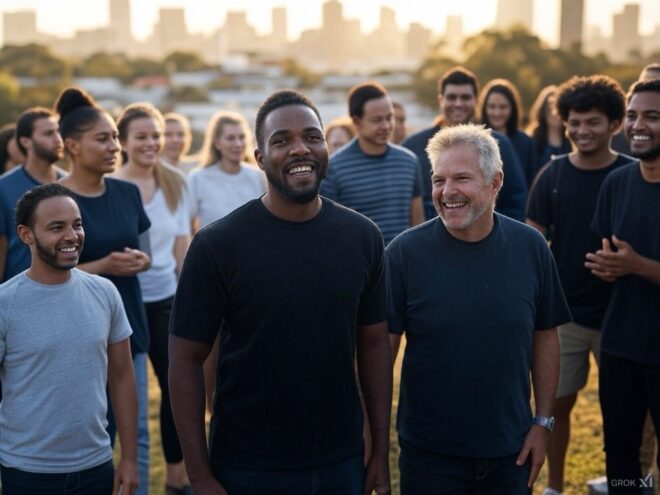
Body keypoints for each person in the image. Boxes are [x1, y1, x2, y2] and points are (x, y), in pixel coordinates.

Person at [169, 89, 393, 495]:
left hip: (340, 461)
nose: (299, 149)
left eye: (311, 136)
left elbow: (375, 345)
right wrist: (199, 475)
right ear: (259, 159)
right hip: (245, 465)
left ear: (326, 146)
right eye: (281, 141)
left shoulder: (363, 238)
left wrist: (378, 449)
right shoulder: (218, 245)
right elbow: (185, 359)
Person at [388, 123, 571, 494]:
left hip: (512, 450)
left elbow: (546, 337)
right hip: (429, 456)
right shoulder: (404, 254)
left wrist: (543, 423)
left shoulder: (531, 248)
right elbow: (381, 350)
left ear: (496, 181)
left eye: (462, 178)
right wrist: (372, 434)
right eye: (439, 180)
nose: (447, 191)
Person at [526, 74, 632, 495]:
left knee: (625, 413)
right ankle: (553, 487)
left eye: (593, 122)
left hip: (622, 314)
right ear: (563, 122)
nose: (582, 131)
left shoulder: (633, 174)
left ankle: (627, 482)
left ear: (615, 125)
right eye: (574, 122)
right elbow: (532, 240)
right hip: (563, 315)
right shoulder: (551, 175)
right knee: (555, 408)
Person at [0, 183, 138, 495]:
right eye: (56, 227)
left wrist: (129, 459)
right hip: (26, 473)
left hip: (96, 467)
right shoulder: (5, 303)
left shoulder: (105, 293)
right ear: (26, 235)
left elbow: (121, 376)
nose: (72, 236)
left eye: (77, 225)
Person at [54, 86, 152, 495]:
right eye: (104, 138)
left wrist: (139, 263)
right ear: (72, 146)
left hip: (128, 326)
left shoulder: (128, 192)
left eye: (115, 137)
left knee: (137, 434)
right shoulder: (55, 201)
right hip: (73, 334)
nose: (115, 146)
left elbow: (145, 254)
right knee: (86, 437)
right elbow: (43, 272)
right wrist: (104, 267)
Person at [585, 78, 660, 494]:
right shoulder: (617, 183)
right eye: (632, 115)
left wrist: (637, 264)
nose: (638, 125)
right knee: (621, 456)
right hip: (621, 346)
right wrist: (610, 267)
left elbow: (631, 260)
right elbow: (607, 255)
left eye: (652, 116)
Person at [115, 103, 192, 495]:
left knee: (175, 389)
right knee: (122, 398)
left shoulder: (177, 182)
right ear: (123, 141)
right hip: (120, 302)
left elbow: (181, 248)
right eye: (141, 136)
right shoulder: (111, 186)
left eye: (155, 135)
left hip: (165, 300)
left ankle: (176, 479)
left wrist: (187, 298)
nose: (151, 143)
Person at [403, 66, 527, 221]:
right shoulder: (412, 147)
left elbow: (515, 202)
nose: (458, 103)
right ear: (441, 100)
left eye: (465, 97)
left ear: (476, 100)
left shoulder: (499, 144)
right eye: (452, 97)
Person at [321, 82, 424, 244]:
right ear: (356, 122)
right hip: (359, 265)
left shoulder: (409, 161)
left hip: (403, 265)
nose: (386, 126)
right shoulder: (333, 168)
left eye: (389, 118)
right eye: (377, 120)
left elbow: (418, 226)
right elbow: (330, 231)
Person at [0, 107, 65, 283]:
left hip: (67, 290)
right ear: (26, 141)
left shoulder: (71, 184)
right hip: (18, 294)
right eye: (48, 134)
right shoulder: (3, 187)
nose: (58, 139)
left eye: (58, 132)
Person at [187, 110, 266, 231]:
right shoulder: (197, 178)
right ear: (217, 143)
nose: (238, 144)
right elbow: (186, 224)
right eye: (231, 138)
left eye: (242, 137)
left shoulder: (259, 177)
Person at [479, 78, 536, 182]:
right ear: (484, 108)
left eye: (503, 107)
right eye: (492, 106)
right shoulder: (476, 139)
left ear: (512, 108)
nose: (497, 113)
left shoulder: (525, 142)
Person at [526, 85, 572, 184]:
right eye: (550, 109)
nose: (554, 114)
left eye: (557, 110)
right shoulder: (531, 141)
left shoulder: (572, 140)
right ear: (543, 111)